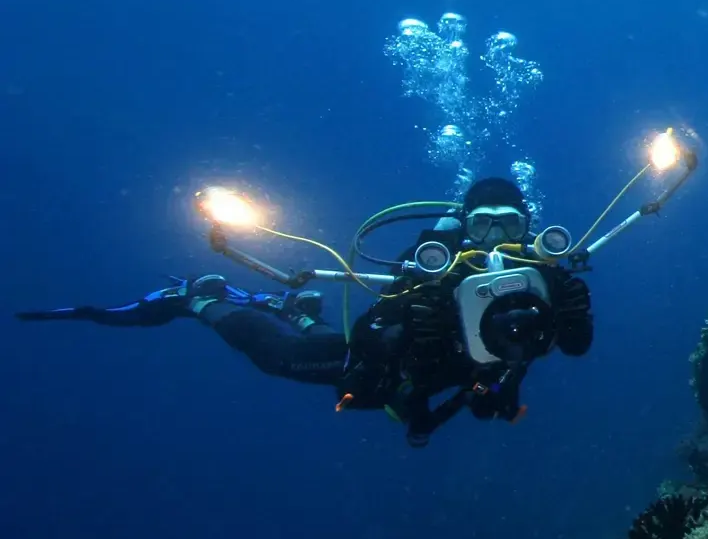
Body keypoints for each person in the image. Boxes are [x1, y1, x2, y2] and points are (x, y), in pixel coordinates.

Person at [17, 177, 593, 447]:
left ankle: (292, 307)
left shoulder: (543, 277)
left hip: (459, 383)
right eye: (484, 223)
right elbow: (366, 338)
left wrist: (571, 307)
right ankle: (199, 299)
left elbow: (571, 345)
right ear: (464, 226)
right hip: (391, 374)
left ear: (531, 229)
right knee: (284, 358)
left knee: (315, 337)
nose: (496, 238)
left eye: (511, 225)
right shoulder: (430, 271)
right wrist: (417, 319)